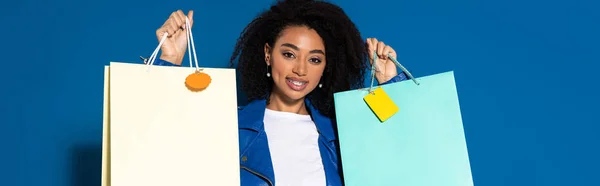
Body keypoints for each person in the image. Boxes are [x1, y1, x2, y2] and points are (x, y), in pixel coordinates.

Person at [150, 0, 410, 185]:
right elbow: (158, 147)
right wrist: (169, 60)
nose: (300, 69)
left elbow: (405, 156)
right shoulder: (226, 126)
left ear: (325, 68)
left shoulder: (342, 135)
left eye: (315, 60)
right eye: (289, 54)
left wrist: (390, 83)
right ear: (267, 54)